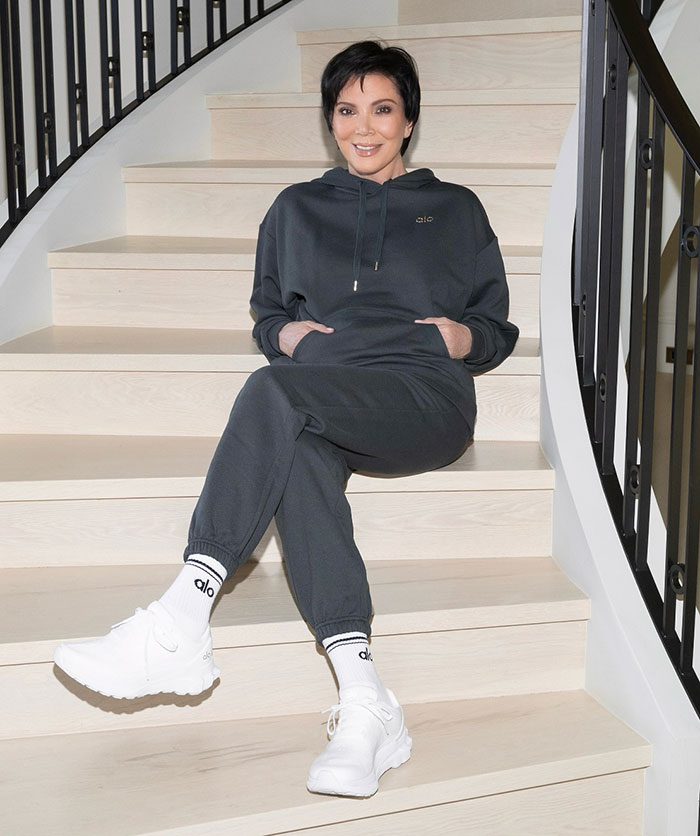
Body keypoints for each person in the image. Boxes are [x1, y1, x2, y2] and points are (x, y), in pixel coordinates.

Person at [53, 41, 518, 798]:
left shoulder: (456, 208)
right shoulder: (295, 208)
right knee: (293, 451)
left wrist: (457, 339)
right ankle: (365, 700)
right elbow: (268, 310)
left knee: (275, 393)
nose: (363, 128)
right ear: (329, 120)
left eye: (382, 109)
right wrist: (287, 335)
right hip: (325, 392)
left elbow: (494, 325)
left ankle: (183, 614)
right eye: (346, 110)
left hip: (422, 398)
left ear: (408, 121)